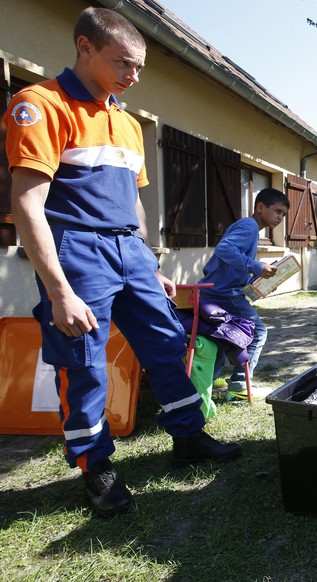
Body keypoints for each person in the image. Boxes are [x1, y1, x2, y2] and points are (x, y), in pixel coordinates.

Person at [4, 7, 241, 518]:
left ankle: (189, 437)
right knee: (84, 363)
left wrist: (148, 261)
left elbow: (134, 202)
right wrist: (61, 290)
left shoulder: (130, 124)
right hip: (77, 251)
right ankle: (97, 470)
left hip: (129, 252)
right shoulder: (41, 105)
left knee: (167, 344)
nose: (133, 76)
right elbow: (27, 204)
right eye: (122, 64)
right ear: (85, 48)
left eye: (139, 67)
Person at [197, 187, 289, 401]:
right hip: (223, 293)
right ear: (260, 207)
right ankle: (239, 385)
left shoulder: (251, 229)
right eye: (277, 211)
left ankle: (210, 379)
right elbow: (224, 250)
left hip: (216, 290)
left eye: (283, 214)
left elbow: (231, 266)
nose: (280, 218)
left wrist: (255, 283)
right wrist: (256, 266)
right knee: (258, 332)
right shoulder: (249, 226)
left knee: (222, 335)